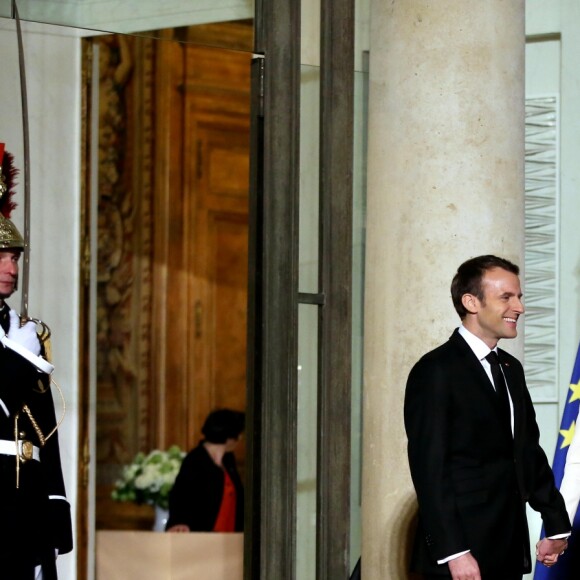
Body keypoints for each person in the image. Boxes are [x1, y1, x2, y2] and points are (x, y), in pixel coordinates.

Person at [404, 254, 570, 580]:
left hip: (507, 548)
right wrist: (455, 553)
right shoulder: (436, 370)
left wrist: (556, 523)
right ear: (471, 302)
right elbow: (429, 469)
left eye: (519, 296)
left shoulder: (511, 369)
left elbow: (526, 453)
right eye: (506, 297)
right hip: (461, 556)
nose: (519, 306)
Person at [0, 144, 73, 579]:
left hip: (27, 496)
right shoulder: (23, 344)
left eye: (14, 258)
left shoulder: (25, 332)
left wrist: (56, 503)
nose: (11, 267)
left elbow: (44, 428)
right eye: (2, 256)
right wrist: (20, 357)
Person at [166, 408, 245, 533]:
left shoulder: (229, 460)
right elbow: (181, 495)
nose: (240, 438)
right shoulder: (196, 459)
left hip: (230, 538)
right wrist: (179, 521)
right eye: (239, 434)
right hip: (201, 538)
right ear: (229, 436)